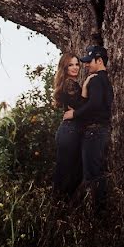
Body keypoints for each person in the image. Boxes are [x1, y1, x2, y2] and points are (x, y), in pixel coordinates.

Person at [63, 44, 114, 212]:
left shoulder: (97, 79)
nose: (85, 65)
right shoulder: (103, 79)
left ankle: (99, 214)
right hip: (99, 131)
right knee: (93, 172)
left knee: (93, 174)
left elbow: (95, 104)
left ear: (99, 61)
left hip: (94, 132)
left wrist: (75, 114)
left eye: (88, 62)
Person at [51, 52, 94, 197]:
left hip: (71, 131)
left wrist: (77, 111)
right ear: (65, 67)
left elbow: (81, 108)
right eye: (71, 65)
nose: (75, 68)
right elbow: (83, 106)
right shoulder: (69, 84)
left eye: (77, 64)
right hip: (70, 132)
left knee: (72, 173)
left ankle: (59, 208)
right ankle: (57, 209)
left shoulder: (72, 83)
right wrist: (87, 85)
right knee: (67, 175)